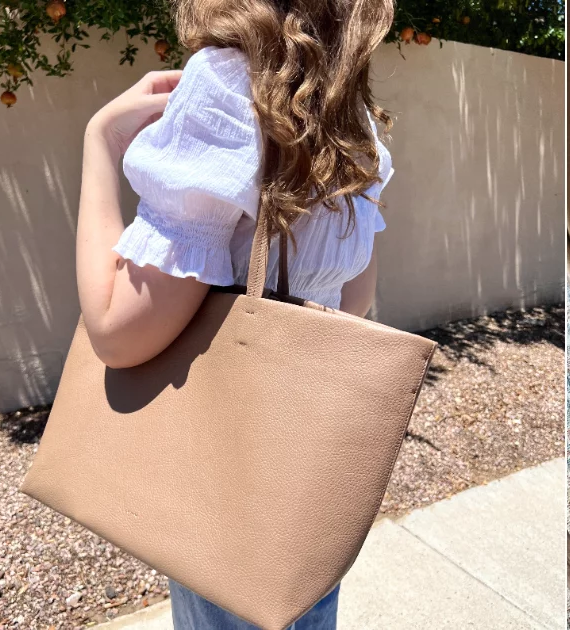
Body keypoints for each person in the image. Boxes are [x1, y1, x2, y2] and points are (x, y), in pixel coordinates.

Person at [73, 1, 395, 627]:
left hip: (222, 480)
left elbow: (115, 332)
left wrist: (100, 143)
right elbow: (351, 306)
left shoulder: (226, 82)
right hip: (305, 476)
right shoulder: (354, 119)